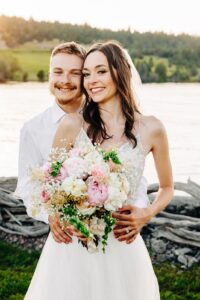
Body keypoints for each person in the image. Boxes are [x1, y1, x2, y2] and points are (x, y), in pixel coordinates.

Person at [24, 41, 173, 299]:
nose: (92, 80)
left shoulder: (152, 128)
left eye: (101, 71)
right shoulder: (71, 125)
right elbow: (50, 183)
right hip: (74, 246)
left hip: (122, 242)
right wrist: (57, 214)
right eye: (87, 73)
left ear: (120, 72)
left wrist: (146, 213)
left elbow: (167, 187)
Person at [15, 41, 149, 246]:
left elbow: (133, 171)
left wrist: (139, 210)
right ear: (50, 75)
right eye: (58, 72)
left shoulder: (108, 118)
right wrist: (52, 216)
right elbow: (27, 184)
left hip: (113, 234)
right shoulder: (33, 129)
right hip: (68, 237)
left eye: (75, 73)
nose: (65, 80)